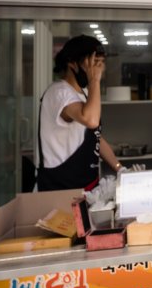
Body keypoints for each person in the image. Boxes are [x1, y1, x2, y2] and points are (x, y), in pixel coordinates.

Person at [37, 34, 121, 191]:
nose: (99, 70)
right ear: (72, 64)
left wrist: (119, 168)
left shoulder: (82, 93)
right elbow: (90, 120)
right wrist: (94, 81)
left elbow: (95, 136)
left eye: (102, 64)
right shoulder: (59, 92)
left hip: (86, 187)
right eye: (94, 63)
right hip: (61, 189)